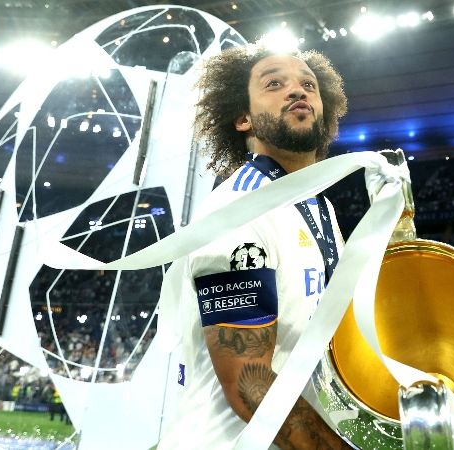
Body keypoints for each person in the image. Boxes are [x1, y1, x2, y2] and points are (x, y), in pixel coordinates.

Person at [157, 44, 350, 450]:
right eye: (274, 84)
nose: (297, 92)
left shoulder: (321, 207)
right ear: (243, 118)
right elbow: (250, 383)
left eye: (308, 85)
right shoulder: (240, 209)